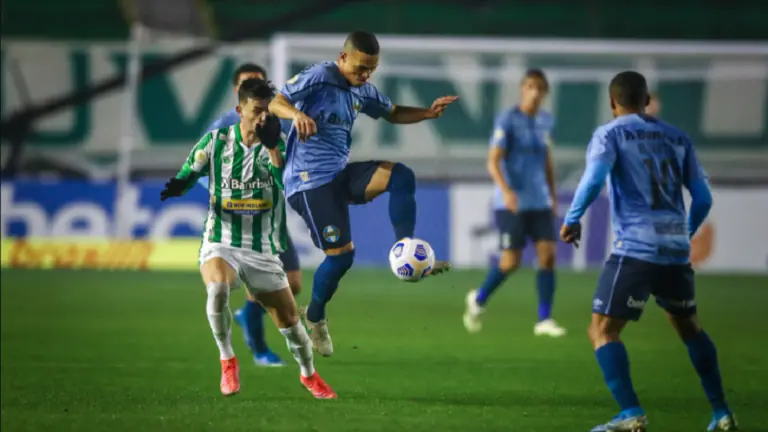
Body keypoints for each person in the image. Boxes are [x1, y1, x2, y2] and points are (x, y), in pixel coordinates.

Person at [560, 71, 736, 431]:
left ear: (612, 102)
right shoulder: (678, 137)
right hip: (675, 250)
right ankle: (722, 413)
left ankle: (630, 413)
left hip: (636, 248)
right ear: (646, 100)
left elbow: (593, 179)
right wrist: (683, 233)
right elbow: (703, 198)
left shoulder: (609, 134)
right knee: (691, 329)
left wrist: (572, 218)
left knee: (602, 331)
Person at [268, 30, 458, 357]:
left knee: (400, 176)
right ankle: (315, 316)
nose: (365, 74)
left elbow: (392, 112)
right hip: (308, 182)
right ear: (342, 58)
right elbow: (275, 102)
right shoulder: (320, 76)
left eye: (371, 69)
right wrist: (297, 114)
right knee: (342, 257)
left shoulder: (362, 89)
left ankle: (405, 248)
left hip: (339, 174)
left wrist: (427, 113)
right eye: (360, 68)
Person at [160, 78, 336, 399]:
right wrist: (178, 186)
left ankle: (309, 375)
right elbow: (187, 174)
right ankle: (228, 359)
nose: (264, 117)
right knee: (217, 289)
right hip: (221, 239)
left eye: (268, 111)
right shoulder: (215, 142)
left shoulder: (280, 144)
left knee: (290, 324)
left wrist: (273, 149)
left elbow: (288, 186)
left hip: (262, 248)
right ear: (239, 110)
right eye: (257, 111)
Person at [198, 63, 302, 367]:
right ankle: (259, 351)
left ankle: (247, 316)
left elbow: (287, 160)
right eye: (248, 82)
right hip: (238, 222)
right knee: (256, 288)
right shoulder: (223, 127)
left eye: (259, 81)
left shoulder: (277, 121)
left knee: (293, 283)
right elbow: (202, 167)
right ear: (237, 91)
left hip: (269, 217)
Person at [463, 69, 566, 337]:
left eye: (540, 88)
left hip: (540, 201)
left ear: (545, 93)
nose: (535, 92)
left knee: (548, 256)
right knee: (511, 261)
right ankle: (478, 299)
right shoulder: (507, 120)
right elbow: (493, 160)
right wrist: (506, 191)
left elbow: (547, 161)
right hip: (512, 202)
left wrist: (553, 196)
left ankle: (544, 319)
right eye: (530, 86)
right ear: (522, 89)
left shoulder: (546, 121)